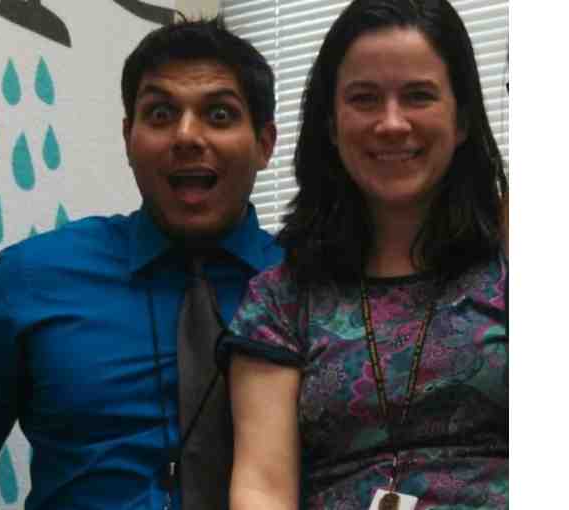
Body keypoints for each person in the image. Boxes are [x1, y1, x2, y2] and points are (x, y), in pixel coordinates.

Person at [0, 17, 280, 510]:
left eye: (219, 114)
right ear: (129, 137)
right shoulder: (31, 278)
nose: (186, 135)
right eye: (160, 114)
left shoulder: (318, 287)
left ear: (264, 144)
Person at [218, 0, 508, 509]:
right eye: (365, 99)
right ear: (331, 125)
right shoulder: (281, 301)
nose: (392, 123)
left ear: (462, 119)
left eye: (418, 96)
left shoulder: (508, 261)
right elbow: (262, 488)